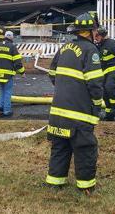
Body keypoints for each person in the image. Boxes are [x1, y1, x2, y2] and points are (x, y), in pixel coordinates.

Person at [45, 12, 104, 193]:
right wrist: (97, 104)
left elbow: (52, 74)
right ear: (90, 31)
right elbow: (94, 83)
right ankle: (85, 187)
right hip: (79, 113)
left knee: (60, 147)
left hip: (58, 111)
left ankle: (55, 183)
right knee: (85, 148)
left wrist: (66, 86)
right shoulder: (91, 50)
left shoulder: (65, 47)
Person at [0, 30, 24, 117]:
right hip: (7, 74)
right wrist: (22, 72)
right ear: (12, 38)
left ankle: (0, 105)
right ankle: (7, 111)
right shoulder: (12, 47)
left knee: (2, 89)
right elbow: (18, 62)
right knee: (8, 91)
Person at [94, 27, 115, 121]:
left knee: (109, 87)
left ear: (102, 36)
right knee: (104, 92)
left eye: (97, 36)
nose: (95, 38)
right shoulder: (98, 46)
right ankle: (109, 113)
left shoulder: (111, 44)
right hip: (104, 73)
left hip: (114, 71)